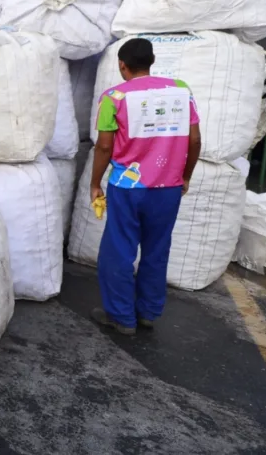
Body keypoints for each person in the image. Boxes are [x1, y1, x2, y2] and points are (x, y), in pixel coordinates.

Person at [90, 38, 202, 335]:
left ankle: (121, 317)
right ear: (152, 61)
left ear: (122, 65)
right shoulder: (180, 91)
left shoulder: (113, 96)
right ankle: (148, 313)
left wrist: (94, 183)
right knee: (157, 249)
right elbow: (193, 140)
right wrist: (186, 175)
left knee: (119, 251)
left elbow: (104, 146)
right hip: (168, 188)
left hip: (128, 188)